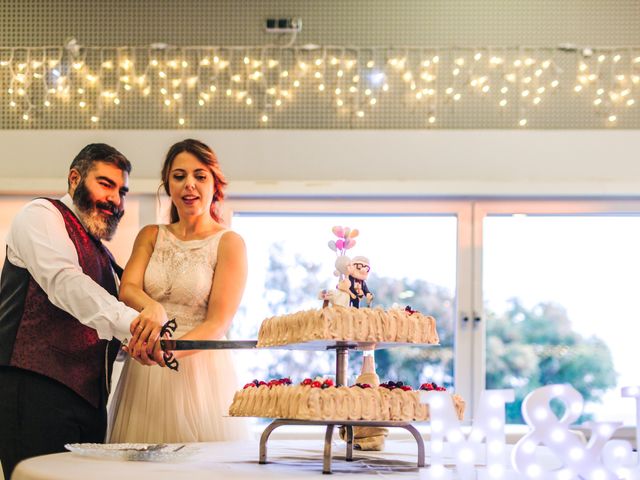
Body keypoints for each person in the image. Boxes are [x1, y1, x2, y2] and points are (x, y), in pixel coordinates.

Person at [0, 144, 163, 479]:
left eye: (122, 191)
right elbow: (65, 284)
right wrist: (135, 325)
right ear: (74, 178)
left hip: (89, 404)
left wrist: (135, 344)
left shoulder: (103, 255)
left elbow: (97, 329)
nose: (116, 200)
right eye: (106, 184)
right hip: (33, 392)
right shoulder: (40, 215)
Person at [108, 138, 250, 443]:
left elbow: (218, 322)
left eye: (200, 176)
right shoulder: (149, 235)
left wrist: (169, 350)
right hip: (145, 372)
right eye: (179, 176)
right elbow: (128, 288)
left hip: (200, 371)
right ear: (168, 185)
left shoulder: (229, 243)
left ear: (215, 185)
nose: (189, 185)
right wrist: (152, 307)